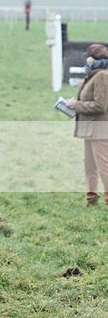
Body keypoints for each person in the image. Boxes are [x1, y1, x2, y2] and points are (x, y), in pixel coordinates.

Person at [66, 43, 108, 206]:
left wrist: (76, 105)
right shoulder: (93, 75)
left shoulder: (102, 76)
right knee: (89, 166)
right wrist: (74, 103)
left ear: (92, 58)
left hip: (101, 129)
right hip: (90, 129)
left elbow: (100, 105)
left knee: (104, 167)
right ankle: (91, 199)